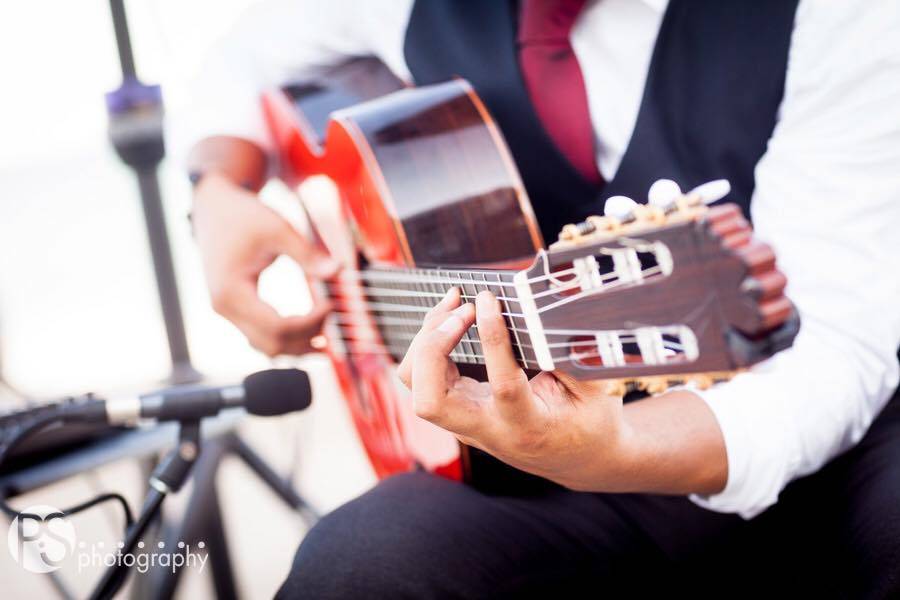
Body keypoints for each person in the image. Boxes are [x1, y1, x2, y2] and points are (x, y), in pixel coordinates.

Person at [177, 0, 900, 597]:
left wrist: (614, 448)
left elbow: (834, 352)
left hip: (840, 448)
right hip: (555, 456)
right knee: (361, 567)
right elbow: (242, 57)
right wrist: (216, 193)